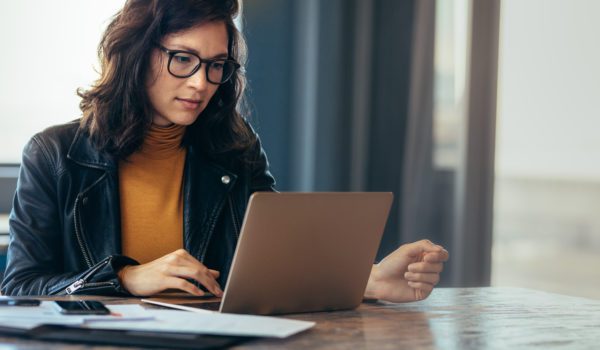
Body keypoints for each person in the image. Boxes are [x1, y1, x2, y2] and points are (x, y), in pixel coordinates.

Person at [0, 0, 448, 302]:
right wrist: (124, 278)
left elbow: (274, 264)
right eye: (182, 58)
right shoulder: (55, 154)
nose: (201, 83)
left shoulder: (234, 147)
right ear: (136, 54)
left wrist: (366, 280)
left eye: (216, 65)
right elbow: (19, 288)